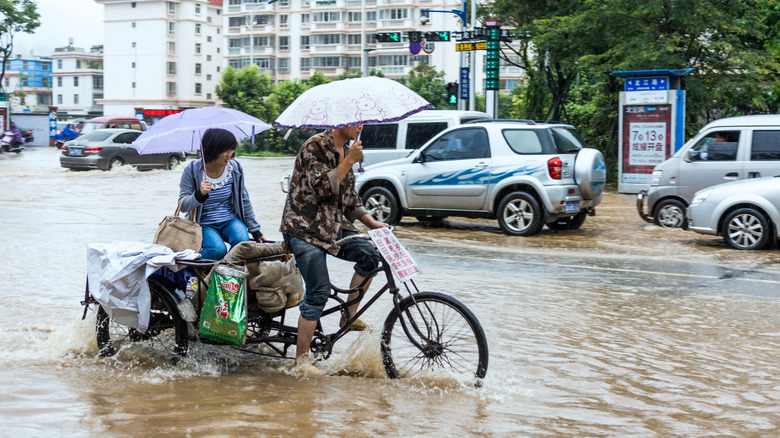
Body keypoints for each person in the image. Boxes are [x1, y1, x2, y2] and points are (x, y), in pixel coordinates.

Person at [280, 125, 388, 376]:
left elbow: (350, 200)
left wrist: (372, 223)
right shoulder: (314, 146)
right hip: (304, 228)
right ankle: (301, 362)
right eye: (357, 120)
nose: (361, 126)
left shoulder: (347, 150)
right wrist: (348, 162)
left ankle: (348, 316)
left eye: (363, 121)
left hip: (333, 226)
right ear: (341, 121)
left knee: (370, 256)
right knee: (319, 290)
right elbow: (321, 189)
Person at [179, 128, 267, 260]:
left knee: (243, 243)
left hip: (230, 220)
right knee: (217, 249)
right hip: (203, 223)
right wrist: (199, 194)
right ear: (212, 149)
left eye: (232, 149)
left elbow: (244, 200)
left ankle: (226, 275)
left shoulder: (235, 168)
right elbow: (183, 206)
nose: (229, 154)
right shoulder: (192, 170)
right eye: (225, 150)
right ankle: (188, 270)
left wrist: (255, 230)